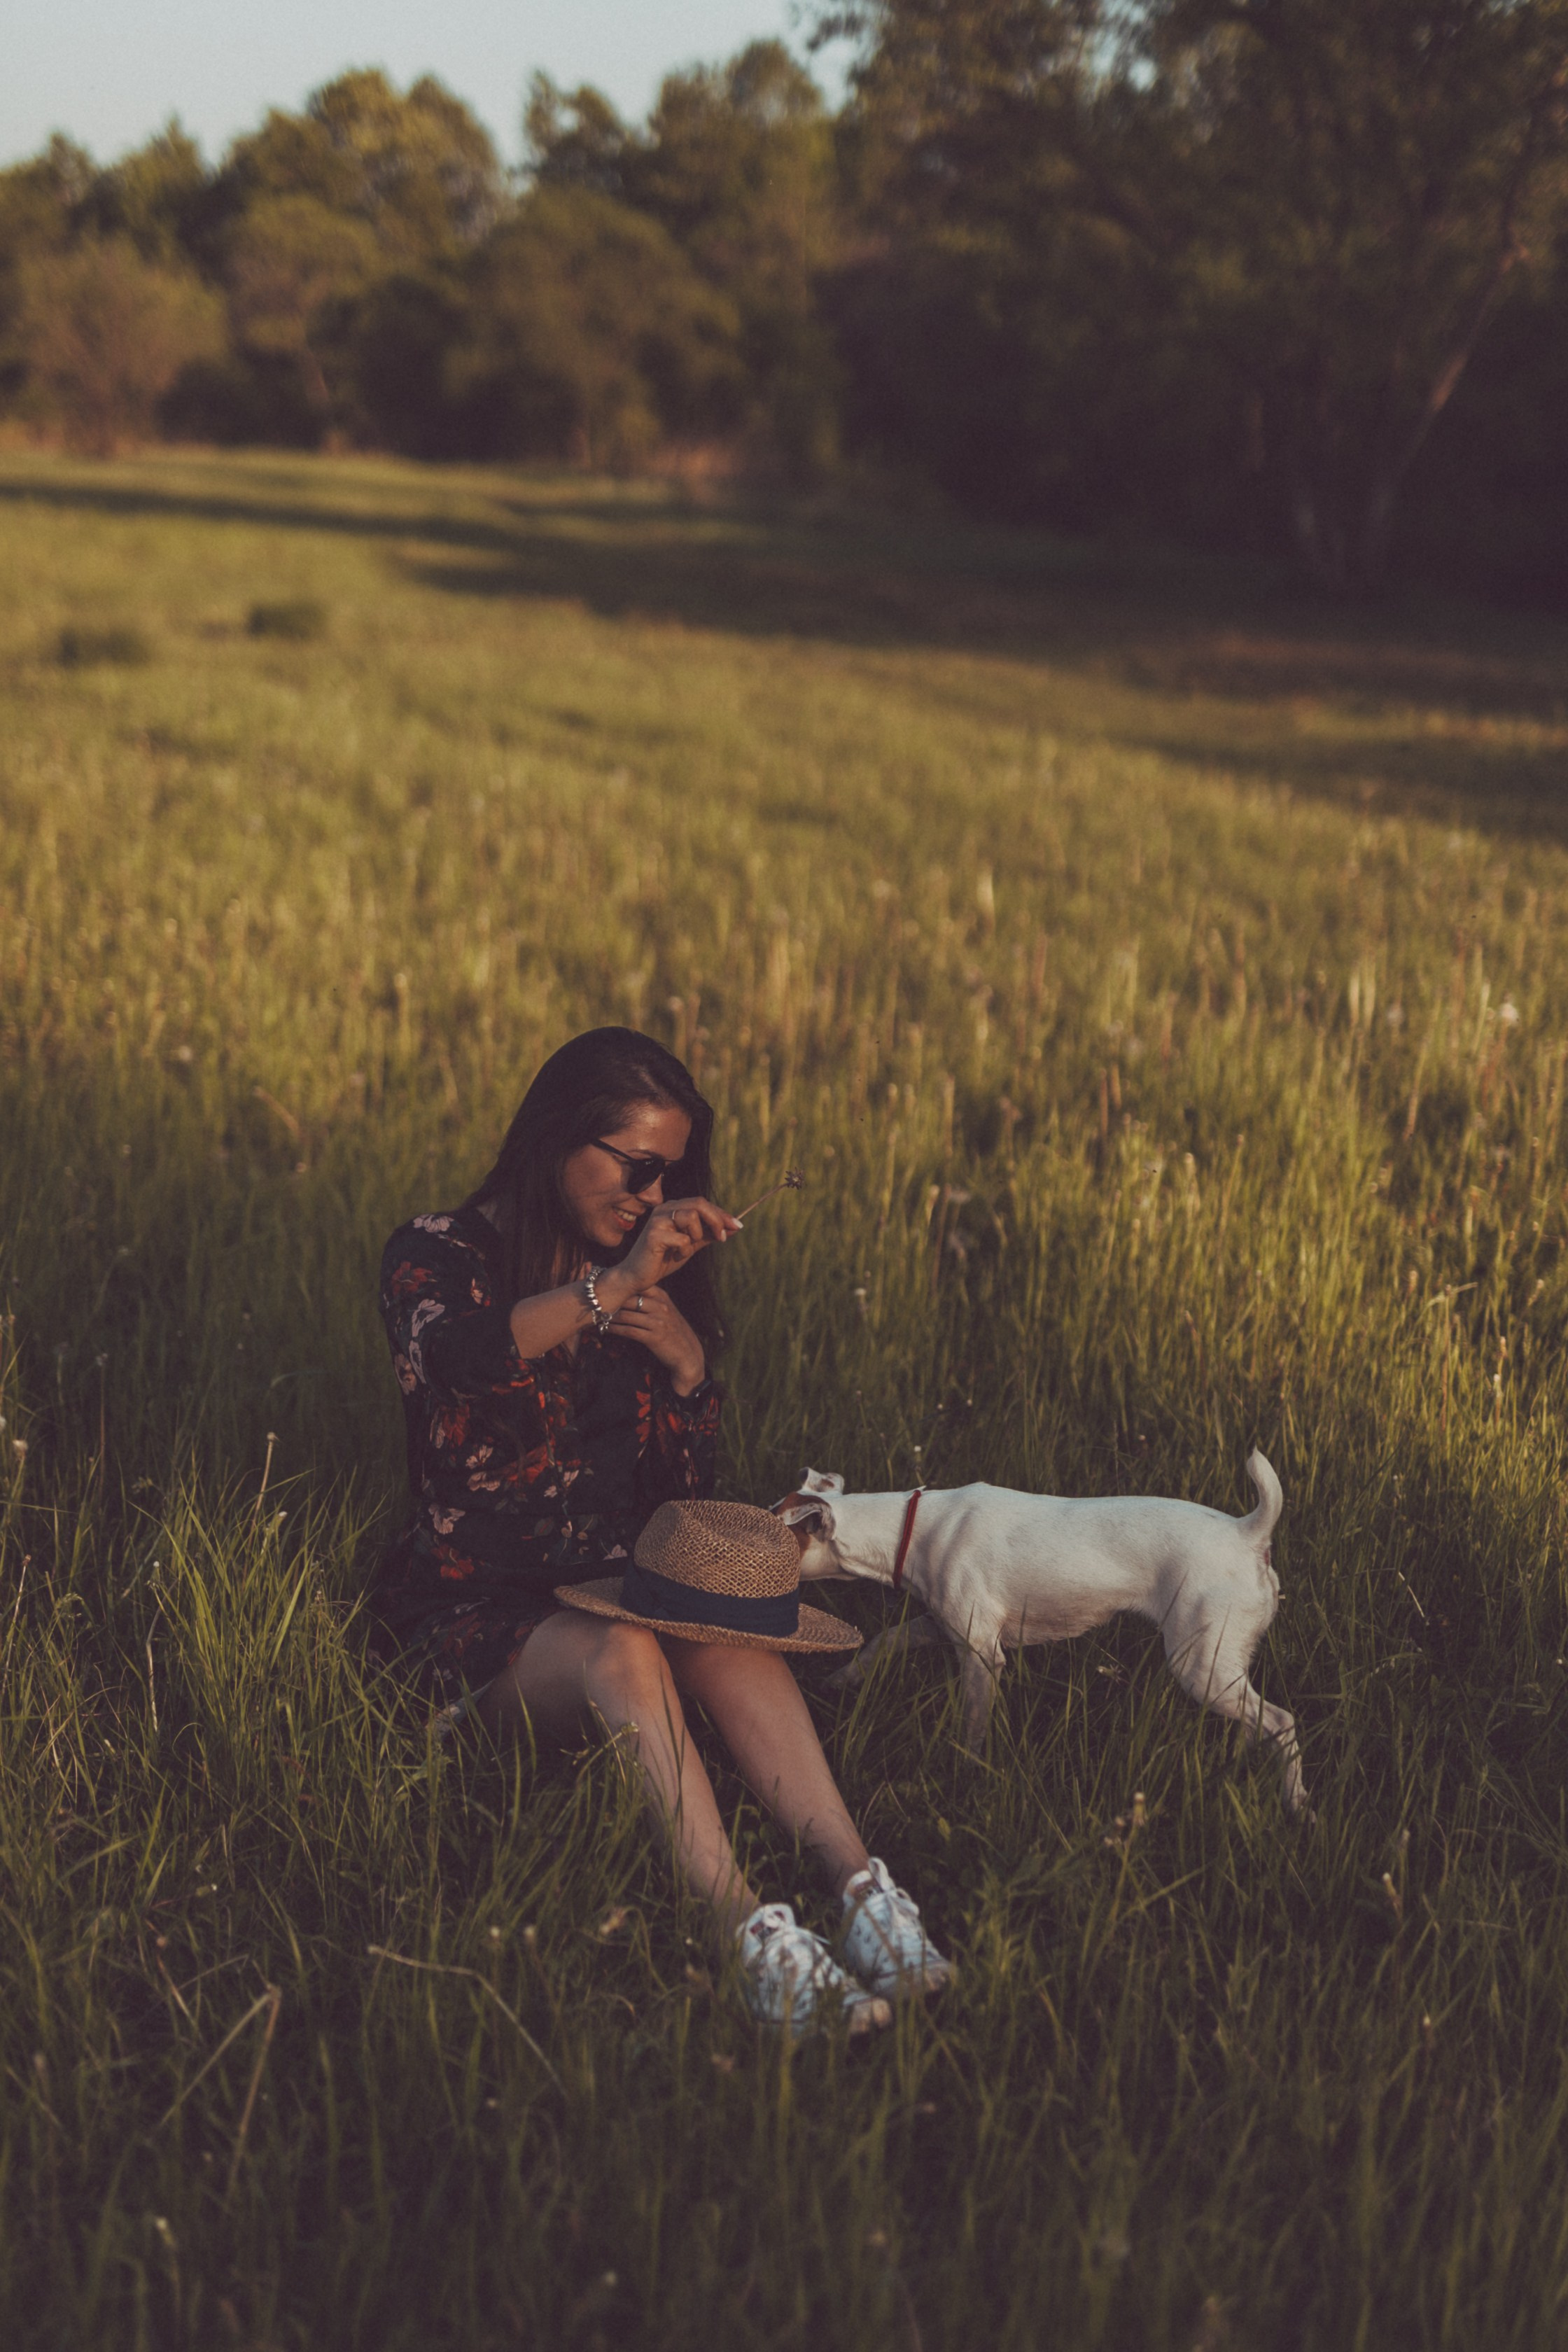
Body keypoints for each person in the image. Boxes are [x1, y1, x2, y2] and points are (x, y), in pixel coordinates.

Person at [373, 1026, 951, 2037]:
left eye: (669, 1176)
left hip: (608, 1581)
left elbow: (677, 1508)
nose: (649, 1197)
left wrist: (687, 1375)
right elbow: (459, 1366)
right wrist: (614, 1289)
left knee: (714, 1614)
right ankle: (748, 1938)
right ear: (561, 1139)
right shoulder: (439, 1254)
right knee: (631, 1644)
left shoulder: (643, 1283)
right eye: (636, 1168)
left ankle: (864, 1894)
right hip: (470, 1618)